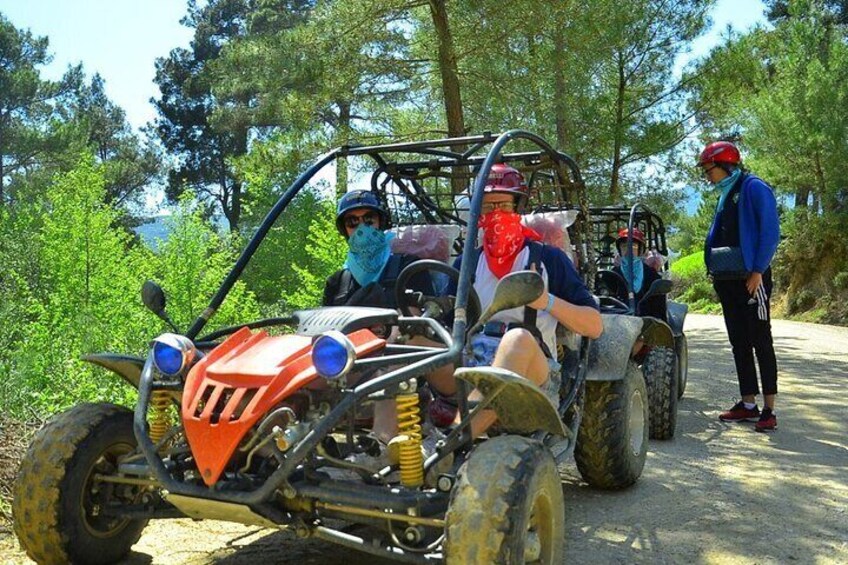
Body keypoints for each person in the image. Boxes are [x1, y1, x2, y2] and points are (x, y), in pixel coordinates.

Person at [445, 163, 603, 437]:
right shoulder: (467, 263)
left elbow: (594, 326)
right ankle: (381, 444)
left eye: (503, 206)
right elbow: (444, 322)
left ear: (518, 207)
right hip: (473, 362)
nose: (495, 215)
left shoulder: (548, 260)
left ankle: (453, 439)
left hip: (533, 373)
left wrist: (546, 301)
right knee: (411, 340)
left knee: (517, 338)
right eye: (487, 208)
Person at [699, 141, 780, 432]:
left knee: (761, 340)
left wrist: (758, 270)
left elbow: (770, 232)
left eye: (709, 170)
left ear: (725, 165)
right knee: (739, 343)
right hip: (727, 280)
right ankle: (748, 404)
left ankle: (769, 409)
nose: (707, 176)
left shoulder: (753, 187)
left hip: (751, 278)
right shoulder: (724, 194)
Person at [323, 190, 431, 309]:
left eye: (369, 219)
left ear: (381, 223)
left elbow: (423, 317)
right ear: (345, 230)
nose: (362, 228)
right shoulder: (336, 283)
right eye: (352, 222)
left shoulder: (410, 267)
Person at [611, 227, 667, 320]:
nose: (628, 250)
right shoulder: (612, 275)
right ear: (619, 249)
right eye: (624, 246)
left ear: (641, 250)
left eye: (633, 246)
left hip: (647, 326)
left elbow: (660, 313)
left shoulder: (652, 275)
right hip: (619, 325)